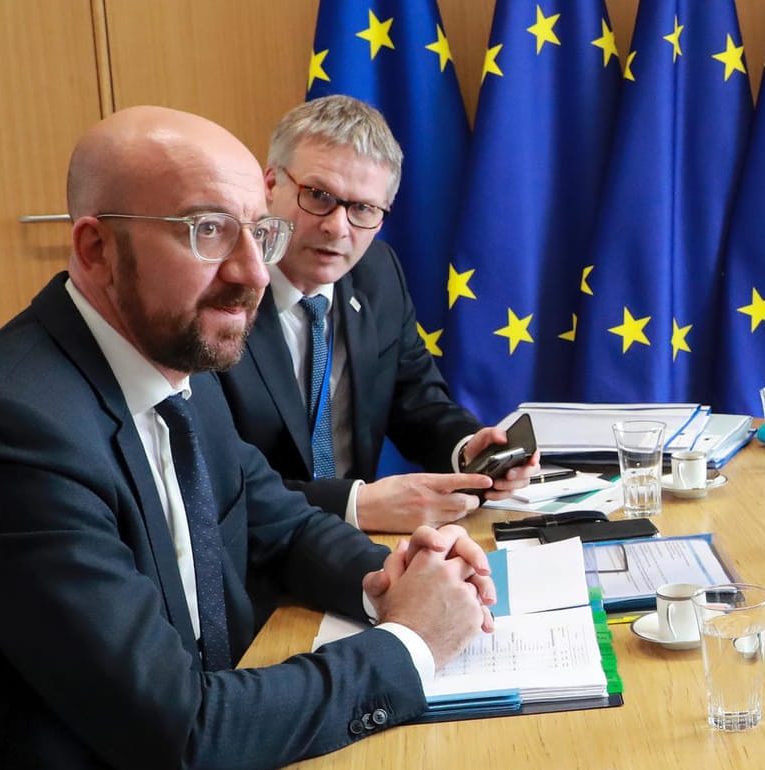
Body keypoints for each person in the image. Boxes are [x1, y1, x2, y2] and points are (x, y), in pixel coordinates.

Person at [0, 107, 498, 770]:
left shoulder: (165, 357)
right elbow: (184, 737)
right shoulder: (10, 432)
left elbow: (273, 516)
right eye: (204, 231)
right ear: (94, 248)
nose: (254, 274)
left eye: (258, 234)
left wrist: (388, 577)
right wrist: (409, 644)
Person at [218, 95, 539, 532]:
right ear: (270, 185)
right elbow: (215, 480)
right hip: (251, 556)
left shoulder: (377, 273)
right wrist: (356, 504)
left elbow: (416, 400)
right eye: (318, 195)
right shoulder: (219, 292)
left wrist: (468, 450)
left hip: (359, 547)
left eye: (362, 209)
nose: (337, 226)